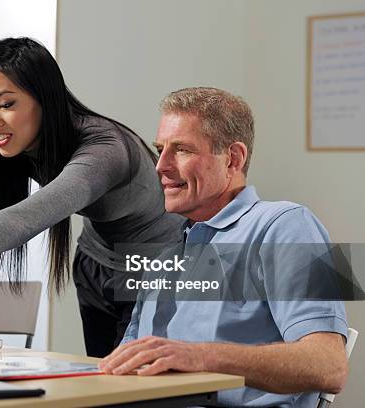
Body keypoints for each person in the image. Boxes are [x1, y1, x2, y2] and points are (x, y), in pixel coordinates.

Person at [0, 37, 184, 357]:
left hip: (157, 265)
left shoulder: (104, 151)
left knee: (140, 386)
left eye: (6, 104)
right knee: (105, 379)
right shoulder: (18, 148)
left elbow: (21, 220)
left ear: (45, 99)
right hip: (95, 264)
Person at [99, 87, 348, 407]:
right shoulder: (166, 254)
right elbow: (130, 366)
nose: (160, 166)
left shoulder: (285, 225)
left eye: (182, 150)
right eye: (160, 149)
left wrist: (201, 355)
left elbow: (328, 365)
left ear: (233, 158)